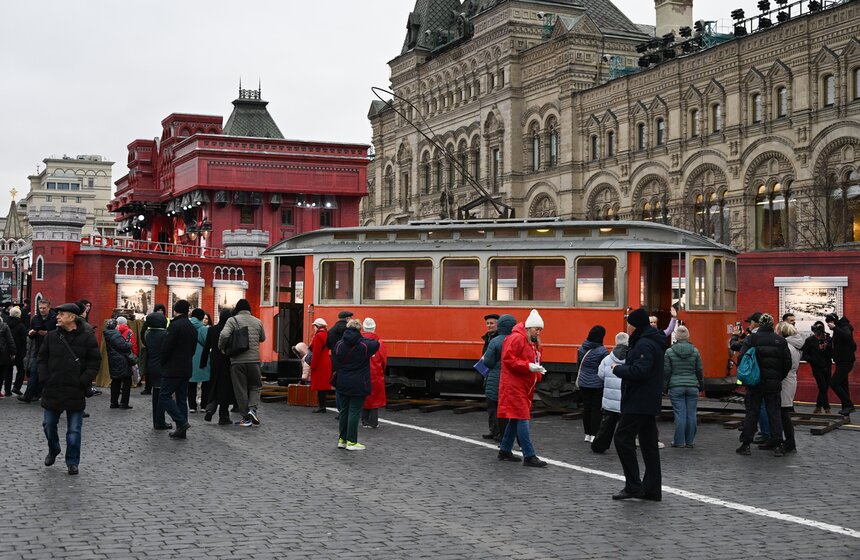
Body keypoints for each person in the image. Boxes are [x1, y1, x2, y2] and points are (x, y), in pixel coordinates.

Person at [38, 302, 101, 475]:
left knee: (74, 430)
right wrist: (45, 378)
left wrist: (83, 380)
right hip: (53, 388)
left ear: (72, 317)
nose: (57, 317)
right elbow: (42, 358)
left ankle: (72, 462)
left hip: (75, 389)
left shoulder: (87, 338)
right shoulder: (51, 336)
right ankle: (54, 448)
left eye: (61, 314)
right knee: (48, 425)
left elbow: (94, 363)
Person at [610, 308, 665, 500]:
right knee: (648, 444)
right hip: (648, 400)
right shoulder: (653, 341)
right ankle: (652, 489)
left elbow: (640, 372)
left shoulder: (643, 345)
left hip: (639, 400)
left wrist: (618, 369)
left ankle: (633, 486)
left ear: (634, 325)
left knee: (622, 437)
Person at [497, 309, 548, 468]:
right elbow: (508, 360)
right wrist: (529, 367)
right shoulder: (517, 339)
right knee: (522, 417)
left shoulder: (528, 340)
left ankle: (505, 450)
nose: (538, 332)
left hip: (521, 385)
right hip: (515, 385)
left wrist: (536, 370)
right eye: (536, 329)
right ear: (528, 327)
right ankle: (529, 455)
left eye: (540, 330)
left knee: (516, 418)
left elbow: (516, 361)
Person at [736, 313, 792, 457]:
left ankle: (746, 444)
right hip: (773, 383)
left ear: (760, 324)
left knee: (752, 412)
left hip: (755, 382)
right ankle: (778, 444)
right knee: (774, 413)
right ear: (772, 324)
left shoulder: (751, 339)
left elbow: (742, 358)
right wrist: (779, 377)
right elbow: (787, 363)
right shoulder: (780, 340)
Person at [218, 299, 266, 427]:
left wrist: (222, 347)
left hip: (237, 361)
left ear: (237, 309)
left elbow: (224, 335)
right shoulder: (258, 321)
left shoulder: (232, 320)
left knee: (240, 389)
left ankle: (246, 418)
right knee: (256, 386)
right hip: (254, 360)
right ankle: (253, 410)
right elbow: (262, 338)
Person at [333, 319, 379, 450]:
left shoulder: (339, 344)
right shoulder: (364, 345)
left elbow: (336, 359)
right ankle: (352, 442)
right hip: (359, 382)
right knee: (354, 411)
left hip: (342, 381)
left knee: (344, 411)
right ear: (359, 330)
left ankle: (342, 439)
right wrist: (362, 337)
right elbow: (375, 343)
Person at [160, 300, 197, 439]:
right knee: (182, 399)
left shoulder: (175, 326)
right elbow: (193, 349)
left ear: (175, 310)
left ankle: (181, 422)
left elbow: (166, 347)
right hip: (186, 367)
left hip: (172, 368)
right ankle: (182, 431)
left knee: (164, 395)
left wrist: (163, 362)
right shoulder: (191, 327)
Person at [663, 325, 703, 448]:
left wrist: (665, 387)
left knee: (680, 415)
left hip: (676, 386)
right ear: (687, 336)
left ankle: (679, 442)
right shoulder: (695, 351)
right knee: (691, 414)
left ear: (676, 336)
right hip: (692, 386)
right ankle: (690, 441)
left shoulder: (669, 352)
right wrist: (700, 385)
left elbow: (666, 371)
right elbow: (699, 370)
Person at [481, 314, 516, 441]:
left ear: (499, 325)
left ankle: (499, 434)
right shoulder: (492, 337)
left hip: (494, 376)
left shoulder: (495, 340)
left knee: (495, 406)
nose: (489, 326)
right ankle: (496, 431)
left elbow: (488, 361)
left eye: (492, 323)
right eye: (488, 323)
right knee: (496, 407)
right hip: (501, 377)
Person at [592, 332, 628, 453]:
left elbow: (600, 375)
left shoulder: (607, 359)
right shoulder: (631, 358)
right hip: (625, 397)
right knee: (626, 425)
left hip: (609, 397)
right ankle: (625, 446)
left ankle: (599, 445)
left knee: (607, 424)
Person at [201, 309, 236, 426]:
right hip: (227, 361)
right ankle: (223, 416)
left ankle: (210, 408)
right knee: (225, 388)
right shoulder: (231, 330)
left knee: (214, 385)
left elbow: (206, 348)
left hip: (215, 361)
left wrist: (203, 363)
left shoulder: (212, 329)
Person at [20, 299, 57, 403]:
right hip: (39, 350)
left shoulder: (55, 318)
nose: (42, 310)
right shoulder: (35, 319)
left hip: (52, 351)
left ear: (49, 308)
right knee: (34, 372)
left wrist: (48, 334)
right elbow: (30, 332)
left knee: (49, 375)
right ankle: (28, 396)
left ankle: (41, 395)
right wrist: (30, 334)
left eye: (44, 308)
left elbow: (59, 333)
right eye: (40, 308)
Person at [577, 325, 608, 443]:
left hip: (583, 383)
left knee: (586, 408)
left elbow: (578, 364)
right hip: (597, 384)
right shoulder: (602, 351)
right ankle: (594, 434)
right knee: (596, 409)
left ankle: (587, 434)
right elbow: (604, 368)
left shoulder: (581, 348)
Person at [777, 321, 804, 453]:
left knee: (783, 413)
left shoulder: (787, 346)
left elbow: (784, 365)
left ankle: (789, 442)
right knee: (784, 412)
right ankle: (788, 442)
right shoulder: (795, 345)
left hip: (785, 381)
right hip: (790, 380)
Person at [143, 309, 172, 430]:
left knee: (156, 394)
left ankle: (156, 420)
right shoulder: (164, 334)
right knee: (162, 395)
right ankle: (160, 421)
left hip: (151, 365)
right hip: (162, 366)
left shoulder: (148, 334)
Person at [825, 312, 856, 416]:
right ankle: (845, 409)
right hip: (841, 360)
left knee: (834, 383)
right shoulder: (839, 328)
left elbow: (847, 336)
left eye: (828, 323)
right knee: (843, 384)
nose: (828, 326)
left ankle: (849, 405)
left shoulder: (844, 326)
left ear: (832, 322)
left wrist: (834, 328)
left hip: (846, 361)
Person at [361, 317, 387, 428]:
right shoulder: (379, 343)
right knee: (375, 399)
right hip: (375, 374)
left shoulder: (359, 342)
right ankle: (373, 422)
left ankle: (364, 421)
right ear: (374, 328)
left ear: (363, 327)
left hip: (361, 374)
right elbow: (384, 361)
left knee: (363, 397)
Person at [801, 321, 832, 414]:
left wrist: (827, 347)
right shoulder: (809, 340)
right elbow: (805, 355)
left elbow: (832, 353)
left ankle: (818, 407)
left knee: (825, 387)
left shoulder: (828, 339)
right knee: (822, 386)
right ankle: (827, 408)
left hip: (827, 366)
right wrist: (813, 360)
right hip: (816, 367)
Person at [103, 319, 134, 409]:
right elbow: (124, 346)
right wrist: (129, 344)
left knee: (116, 381)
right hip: (122, 361)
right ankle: (124, 403)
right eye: (117, 325)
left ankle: (114, 402)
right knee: (127, 381)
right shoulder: (116, 334)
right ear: (115, 326)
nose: (118, 327)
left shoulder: (108, 334)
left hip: (113, 360)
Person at [140, 303, 167, 395]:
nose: (160, 312)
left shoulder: (166, 321)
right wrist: (147, 344)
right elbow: (142, 333)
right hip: (150, 348)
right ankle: (148, 388)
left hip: (161, 349)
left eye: (162, 310)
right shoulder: (149, 321)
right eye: (158, 310)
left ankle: (157, 387)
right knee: (149, 368)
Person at [187, 308, 210, 413]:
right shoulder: (204, 329)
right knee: (205, 382)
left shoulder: (187, 326)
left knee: (191, 383)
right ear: (201, 318)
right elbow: (207, 344)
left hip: (189, 356)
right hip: (203, 358)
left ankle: (192, 406)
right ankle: (204, 405)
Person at [309, 317, 332, 413]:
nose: (314, 328)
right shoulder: (327, 334)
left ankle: (321, 406)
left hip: (320, 363)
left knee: (320, 385)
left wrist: (313, 365)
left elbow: (316, 353)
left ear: (317, 326)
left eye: (314, 326)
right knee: (324, 384)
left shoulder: (318, 336)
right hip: (326, 360)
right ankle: (322, 405)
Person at [6, 306, 27, 396]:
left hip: (8, 351)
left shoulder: (5, 324)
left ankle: (7, 390)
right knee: (21, 370)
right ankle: (16, 387)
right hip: (19, 351)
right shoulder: (21, 326)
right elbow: (24, 340)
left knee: (8, 371)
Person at [0, 315, 15, 398]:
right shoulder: (4, 326)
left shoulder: (5, 326)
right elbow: (10, 340)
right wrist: (13, 352)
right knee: (1, 373)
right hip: (2, 353)